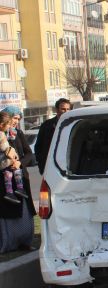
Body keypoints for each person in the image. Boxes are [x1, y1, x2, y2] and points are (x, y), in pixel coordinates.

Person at [0, 107, 36, 253]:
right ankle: (8, 243)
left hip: (20, 178)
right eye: (13, 118)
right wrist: (9, 163)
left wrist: (19, 163)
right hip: (4, 180)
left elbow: (28, 153)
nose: (15, 122)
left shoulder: (18, 133)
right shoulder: (2, 135)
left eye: (18, 119)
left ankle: (25, 242)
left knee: (24, 211)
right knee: (7, 211)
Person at [35, 98, 71, 174]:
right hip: (50, 166)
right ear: (57, 110)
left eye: (68, 109)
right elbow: (38, 146)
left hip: (69, 164)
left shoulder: (74, 124)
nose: (66, 111)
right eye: (63, 109)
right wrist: (41, 164)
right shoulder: (47, 125)